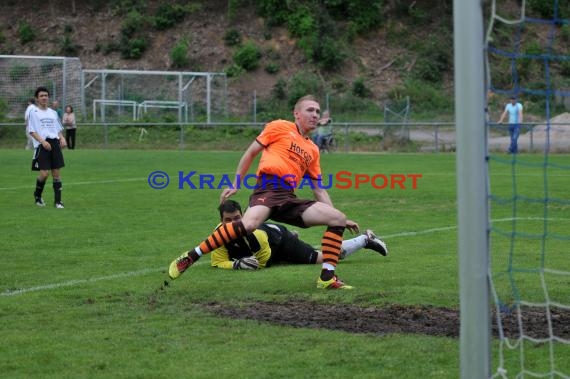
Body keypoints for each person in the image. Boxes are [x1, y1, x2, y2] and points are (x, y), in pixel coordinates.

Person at [169, 94, 387, 289]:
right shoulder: (280, 126)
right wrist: (236, 182)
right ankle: (190, 256)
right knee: (250, 224)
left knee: (337, 217)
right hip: (268, 187)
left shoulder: (313, 149)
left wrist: (339, 218)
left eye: (318, 111)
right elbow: (251, 152)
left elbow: (318, 189)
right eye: (310, 110)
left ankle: (327, 278)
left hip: (287, 197)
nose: (315, 114)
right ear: (297, 114)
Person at [211, 200, 388, 270]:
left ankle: (365, 239)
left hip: (282, 242)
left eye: (237, 218)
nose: (233, 224)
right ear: (221, 220)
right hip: (271, 240)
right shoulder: (218, 235)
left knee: (327, 257)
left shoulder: (257, 235)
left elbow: (264, 263)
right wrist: (236, 265)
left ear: (243, 217)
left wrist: (243, 264)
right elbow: (217, 262)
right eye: (228, 220)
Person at [28, 86, 67, 208]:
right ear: (37, 98)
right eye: (41, 96)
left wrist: (62, 137)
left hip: (54, 143)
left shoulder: (53, 113)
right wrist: (42, 141)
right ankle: (38, 196)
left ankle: (58, 201)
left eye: (46, 95)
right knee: (44, 174)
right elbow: (32, 131)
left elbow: (58, 130)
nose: (44, 97)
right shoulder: (33, 113)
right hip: (42, 144)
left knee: (56, 173)